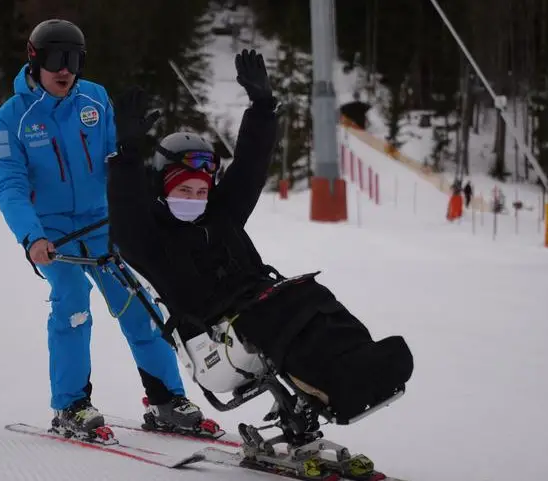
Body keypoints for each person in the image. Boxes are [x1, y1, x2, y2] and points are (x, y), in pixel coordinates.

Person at [106, 49, 413, 422]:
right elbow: (125, 213)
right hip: (212, 338)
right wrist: (126, 155)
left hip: (254, 308)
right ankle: (335, 385)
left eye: (202, 191)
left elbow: (250, 164)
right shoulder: (149, 239)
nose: (195, 199)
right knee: (279, 314)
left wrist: (263, 106)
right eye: (183, 191)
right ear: (160, 190)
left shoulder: (223, 215)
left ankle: (361, 362)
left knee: (311, 296)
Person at [0, 18, 211, 439]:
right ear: (34, 60)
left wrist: (129, 148)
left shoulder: (95, 99)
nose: (64, 69)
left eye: (73, 60)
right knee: (72, 305)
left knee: (140, 308)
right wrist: (32, 236)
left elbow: (117, 162)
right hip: (53, 235)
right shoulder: (11, 119)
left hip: (102, 223)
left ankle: (166, 400)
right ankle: (71, 405)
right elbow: (10, 186)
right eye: (55, 58)